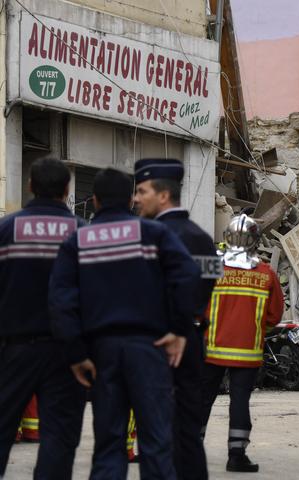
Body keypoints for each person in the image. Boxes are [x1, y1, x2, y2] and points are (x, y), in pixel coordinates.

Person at [49, 167, 200, 479]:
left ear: (94, 200)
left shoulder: (78, 240)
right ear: (131, 199)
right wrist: (179, 329)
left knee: (109, 443)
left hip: (102, 353)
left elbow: (62, 301)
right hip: (149, 349)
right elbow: (188, 276)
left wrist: (76, 353)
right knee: (156, 442)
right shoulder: (154, 234)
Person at [134, 158, 220, 480]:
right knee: (187, 430)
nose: (136, 199)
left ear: (163, 195)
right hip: (194, 342)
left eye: (142, 191)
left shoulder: (150, 237)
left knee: (156, 433)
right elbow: (209, 286)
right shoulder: (203, 238)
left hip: (157, 344)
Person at [0, 158, 86, 479]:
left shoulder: (6, 230)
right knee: (59, 439)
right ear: (67, 190)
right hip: (69, 354)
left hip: (12, 350)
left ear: (30, 186)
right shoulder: (84, 234)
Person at [201, 215, 284, 473]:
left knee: (201, 400)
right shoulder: (266, 273)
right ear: (256, 240)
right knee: (240, 402)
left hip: (211, 349)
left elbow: (195, 304)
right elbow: (275, 316)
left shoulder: (211, 266)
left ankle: (189, 448)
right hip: (248, 352)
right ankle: (236, 455)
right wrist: (255, 330)